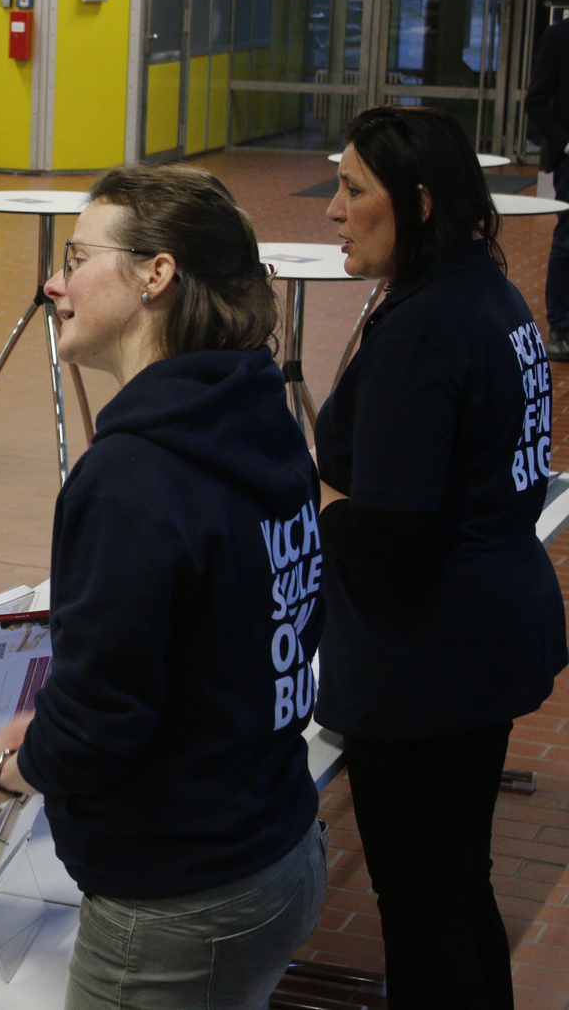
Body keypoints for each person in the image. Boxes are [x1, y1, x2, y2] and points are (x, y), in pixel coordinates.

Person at [0, 164, 328, 1009]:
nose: (54, 281)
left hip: (180, 895)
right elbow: (224, 640)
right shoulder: (259, 417)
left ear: (157, 274)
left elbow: (103, 717)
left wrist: (11, 771)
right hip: (277, 841)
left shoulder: (132, 477)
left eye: (76, 257)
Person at [314, 105, 568, 1009]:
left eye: (352, 190)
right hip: (484, 636)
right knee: (457, 889)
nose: (333, 209)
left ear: (416, 203)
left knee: (424, 909)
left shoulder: (427, 327)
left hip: (429, 662)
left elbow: (386, 532)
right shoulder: (487, 295)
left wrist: (310, 491)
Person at [525, 18, 569, 360]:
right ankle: (561, 328)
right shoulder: (560, 35)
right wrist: (565, 144)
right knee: (568, 242)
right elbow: (536, 101)